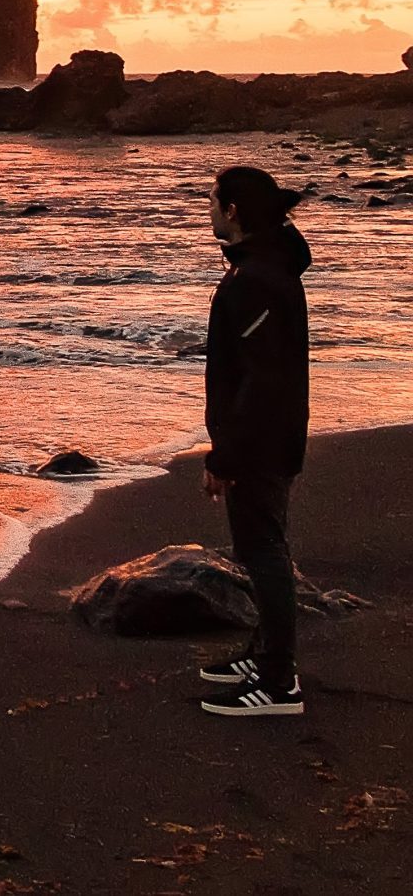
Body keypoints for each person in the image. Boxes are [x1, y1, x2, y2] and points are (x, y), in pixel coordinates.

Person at [194, 165, 312, 718]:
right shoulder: (264, 268)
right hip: (267, 436)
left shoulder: (257, 279)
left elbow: (259, 381)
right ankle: (263, 655)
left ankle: (277, 682)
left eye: (213, 201)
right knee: (261, 547)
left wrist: (225, 455)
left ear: (234, 210)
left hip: (262, 440)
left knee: (264, 551)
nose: (209, 210)